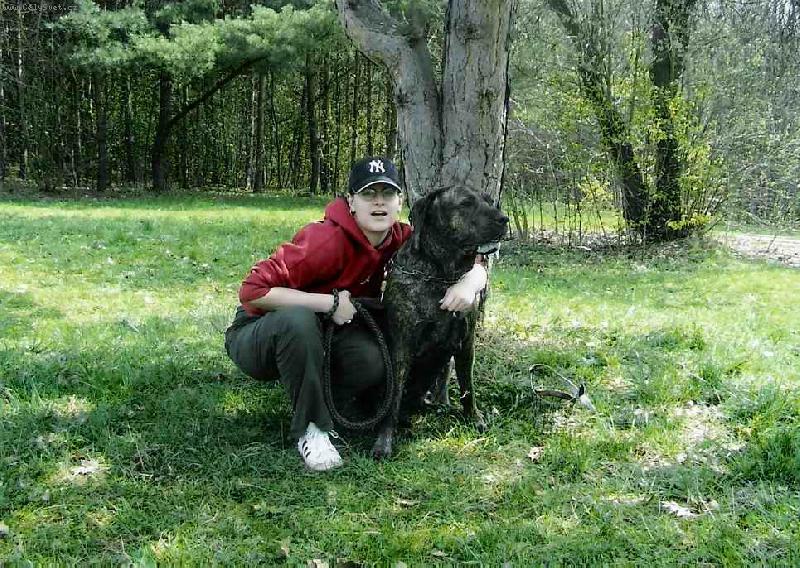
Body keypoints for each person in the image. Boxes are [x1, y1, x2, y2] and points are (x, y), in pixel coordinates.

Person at [224, 157, 489, 471]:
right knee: (298, 320)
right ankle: (313, 429)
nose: (378, 202)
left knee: (373, 361)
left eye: (387, 194)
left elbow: (469, 255)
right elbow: (253, 292)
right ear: (350, 201)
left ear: (400, 202)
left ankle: (334, 403)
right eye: (368, 194)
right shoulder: (324, 241)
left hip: (329, 332)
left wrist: (472, 281)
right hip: (260, 332)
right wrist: (330, 304)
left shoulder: (400, 238)